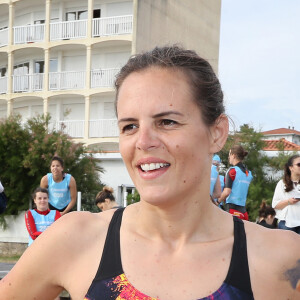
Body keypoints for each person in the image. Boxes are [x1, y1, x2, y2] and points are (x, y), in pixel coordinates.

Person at [1, 46, 300, 299]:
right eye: (129, 126)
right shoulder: (75, 239)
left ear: (217, 133)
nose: (143, 142)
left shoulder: (282, 260)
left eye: (167, 122)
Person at [217, 145, 253, 220]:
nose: (228, 157)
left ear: (234, 155)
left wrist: (217, 202)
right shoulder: (248, 173)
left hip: (232, 210)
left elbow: (227, 192)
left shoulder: (232, 171)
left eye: (229, 154)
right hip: (244, 212)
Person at [272, 154, 300, 234]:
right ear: (291, 168)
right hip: (287, 223)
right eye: (299, 165)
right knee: (288, 246)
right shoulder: (282, 184)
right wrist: (289, 202)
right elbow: (275, 205)